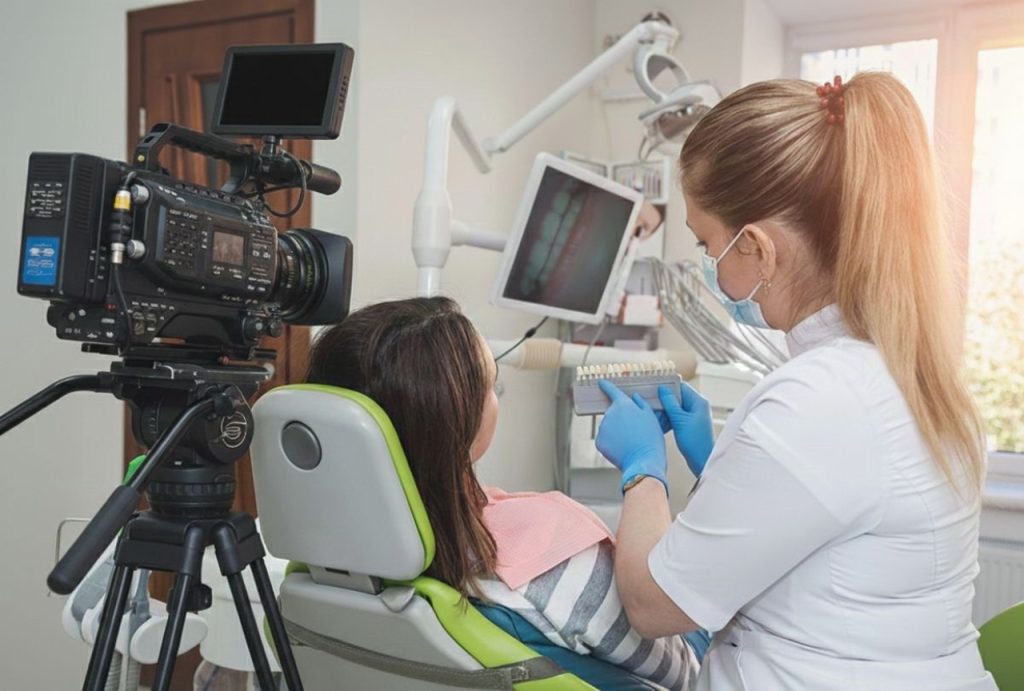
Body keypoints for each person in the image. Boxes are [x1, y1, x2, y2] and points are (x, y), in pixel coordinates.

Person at [596, 73, 997, 689]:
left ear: (757, 246)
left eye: (709, 246)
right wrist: (718, 466)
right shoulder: (908, 373)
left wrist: (642, 469)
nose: (711, 270)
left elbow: (653, 606)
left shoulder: (819, 400)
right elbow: (820, 530)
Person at [305, 297, 700, 690]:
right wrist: (646, 469)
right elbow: (687, 675)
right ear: (456, 424)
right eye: (492, 384)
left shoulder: (325, 565)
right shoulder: (554, 554)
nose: (498, 394)